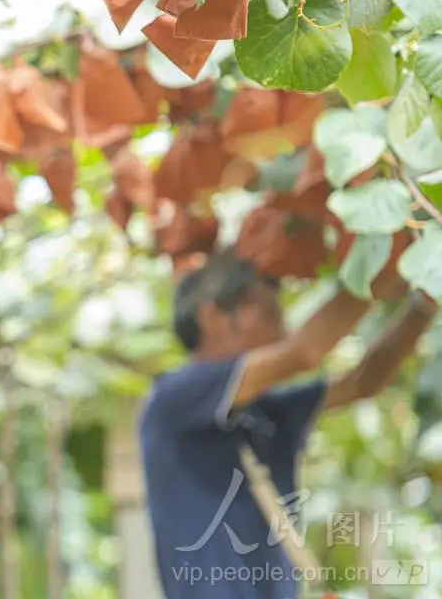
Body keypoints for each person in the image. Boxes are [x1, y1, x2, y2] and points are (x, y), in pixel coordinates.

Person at [139, 251, 437, 599]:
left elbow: (363, 382)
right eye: (271, 314)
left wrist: (426, 301)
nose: (284, 330)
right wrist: (384, 265)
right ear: (214, 317)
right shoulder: (174, 398)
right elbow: (305, 352)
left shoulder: (263, 410)